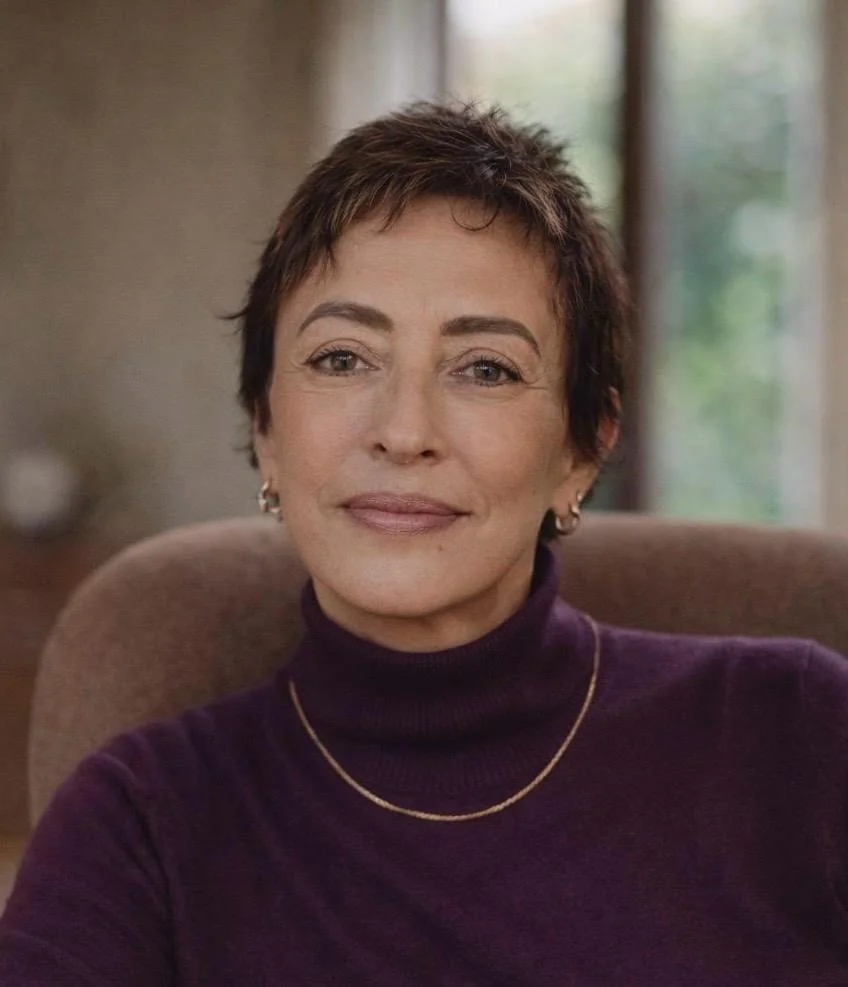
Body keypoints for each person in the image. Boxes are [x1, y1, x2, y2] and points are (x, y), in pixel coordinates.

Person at [1, 101, 847, 986]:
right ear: (266, 428)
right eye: (341, 358)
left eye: (485, 368)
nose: (404, 432)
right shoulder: (140, 825)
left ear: (581, 451)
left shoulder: (796, 734)